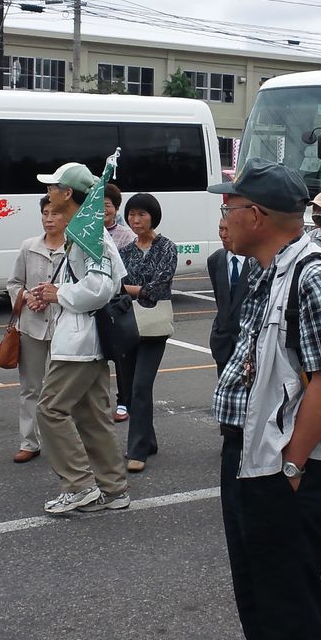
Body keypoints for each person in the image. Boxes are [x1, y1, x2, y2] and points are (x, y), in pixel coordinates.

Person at [206, 157, 321, 640]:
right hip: (249, 451)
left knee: (289, 599)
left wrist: (291, 464)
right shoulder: (268, 268)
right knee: (256, 589)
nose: (222, 215)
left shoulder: (314, 273)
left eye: (229, 206)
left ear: (257, 216)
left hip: (286, 463)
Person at [32, 162, 130, 514]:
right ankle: (113, 489)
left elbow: (102, 287)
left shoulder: (89, 233)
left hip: (79, 342)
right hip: (82, 339)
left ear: (68, 193)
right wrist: (53, 292)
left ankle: (79, 485)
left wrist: (59, 294)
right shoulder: (85, 229)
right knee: (91, 417)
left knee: (50, 410)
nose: (48, 193)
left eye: (53, 187)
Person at [116, 193, 178, 473]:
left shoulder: (167, 247)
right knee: (129, 389)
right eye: (131, 214)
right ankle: (148, 439)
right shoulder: (125, 251)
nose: (135, 220)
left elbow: (158, 287)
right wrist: (137, 290)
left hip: (154, 327)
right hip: (127, 324)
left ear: (153, 216)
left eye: (141, 214)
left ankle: (137, 449)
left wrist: (133, 290)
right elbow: (115, 285)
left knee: (142, 385)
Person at [6, 195, 68, 463]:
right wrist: (27, 297)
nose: (49, 218)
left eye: (55, 213)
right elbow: (13, 283)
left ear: (66, 216)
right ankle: (29, 441)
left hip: (62, 326)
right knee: (30, 387)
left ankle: (62, 442)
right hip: (31, 327)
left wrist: (55, 296)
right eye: (45, 213)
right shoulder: (28, 246)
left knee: (60, 388)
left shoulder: (73, 248)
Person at [101, 182, 136, 422]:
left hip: (118, 302)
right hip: (95, 303)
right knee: (98, 354)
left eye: (108, 206)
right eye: (99, 206)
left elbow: (129, 272)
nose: (104, 211)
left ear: (116, 208)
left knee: (122, 355)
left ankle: (124, 401)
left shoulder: (126, 236)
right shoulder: (86, 232)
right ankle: (98, 400)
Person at [207, 212, 252, 376]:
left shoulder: (257, 261)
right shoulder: (215, 260)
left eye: (228, 230)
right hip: (223, 343)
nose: (223, 235)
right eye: (221, 229)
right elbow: (222, 300)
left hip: (248, 346)